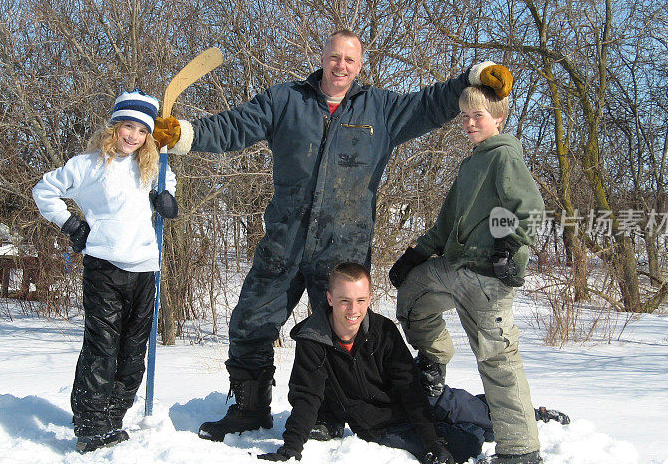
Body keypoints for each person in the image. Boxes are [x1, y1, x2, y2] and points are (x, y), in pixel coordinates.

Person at [152, 29, 515, 442]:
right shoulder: (286, 100)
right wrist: (184, 135)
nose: (341, 65)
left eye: (350, 60)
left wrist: (475, 76)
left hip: (343, 249)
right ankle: (249, 409)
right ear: (323, 57)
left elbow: (430, 104)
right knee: (251, 322)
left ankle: (327, 412)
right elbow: (236, 126)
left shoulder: (380, 110)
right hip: (283, 243)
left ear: (360, 66)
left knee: (338, 332)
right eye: (335, 57)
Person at [257, 262, 567, 464]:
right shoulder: (314, 340)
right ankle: (477, 424)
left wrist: (430, 437)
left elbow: (408, 385)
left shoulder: (382, 330)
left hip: (417, 399)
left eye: (361, 300)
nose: (354, 310)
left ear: (370, 297)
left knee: (463, 407)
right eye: (345, 301)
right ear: (329, 298)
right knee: (467, 442)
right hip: (381, 423)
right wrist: (290, 449)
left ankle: (528, 415)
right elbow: (306, 396)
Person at [389, 84, 546, 464]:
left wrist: (509, 247)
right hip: (455, 267)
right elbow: (447, 223)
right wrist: (418, 254)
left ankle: (520, 448)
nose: (470, 123)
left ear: (499, 118)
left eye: (478, 116)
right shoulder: (472, 162)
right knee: (413, 296)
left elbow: (529, 210)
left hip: (488, 278)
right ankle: (433, 365)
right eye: (465, 116)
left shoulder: (504, 156)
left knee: (497, 358)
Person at [32, 90, 178, 453]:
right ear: (114, 127)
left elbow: (168, 189)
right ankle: (91, 425)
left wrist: (166, 200)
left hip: (145, 267)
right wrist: (71, 225)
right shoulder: (88, 165)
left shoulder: (153, 164)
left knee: (132, 350)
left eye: (141, 131)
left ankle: (114, 418)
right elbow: (44, 190)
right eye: (127, 127)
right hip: (105, 268)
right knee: (102, 348)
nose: (133, 137)